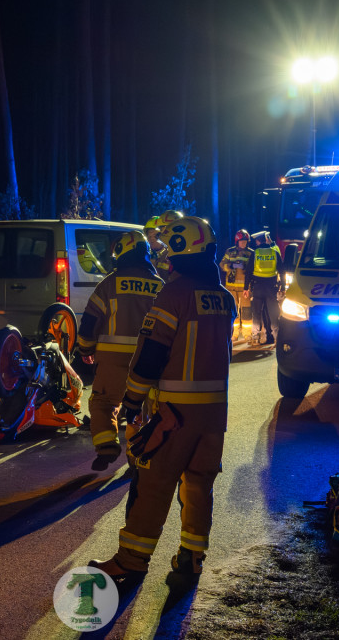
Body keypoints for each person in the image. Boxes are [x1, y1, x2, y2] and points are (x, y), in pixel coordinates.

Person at [89, 216, 235, 582]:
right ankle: (192, 558)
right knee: (198, 484)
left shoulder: (174, 294)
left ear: (184, 251)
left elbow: (152, 352)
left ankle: (130, 561)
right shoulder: (224, 298)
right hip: (214, 414)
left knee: (153, 483)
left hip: (175, 412)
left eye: (170, 251)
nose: (166, 258)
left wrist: (133, 400)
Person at [76, 230, 163, 471]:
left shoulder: (109, 284)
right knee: (143, 408)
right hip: (149, 358)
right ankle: (138, 457)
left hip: (112, 358)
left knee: (103, 402)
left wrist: (85, 348)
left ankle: (106, 446)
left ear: (122, 253)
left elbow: (90, 321)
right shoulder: (160, 285)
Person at [247, 231, 285, 347]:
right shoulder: (274, 253)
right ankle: (277, 337)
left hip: (257, 287)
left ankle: (255, 337)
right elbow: (282, 271)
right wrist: (283, 287)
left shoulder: (255, 253)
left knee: (256, 313)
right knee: (273, 313)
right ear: (266, 240)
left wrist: (245, 288)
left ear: (258, 241)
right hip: (271, 288)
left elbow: (248, 271)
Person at [219, 230, 254, 341]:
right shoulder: (229, 252)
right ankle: (234, 333)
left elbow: (253, 268)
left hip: (245, 288)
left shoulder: (251, 253)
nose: (244, 243)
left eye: (245, 241)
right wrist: (231, 266)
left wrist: (245, 268)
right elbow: (222, 264)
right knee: (233, 311)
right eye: (242, 241)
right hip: (231, 288)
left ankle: (247, 333)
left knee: (247, 311)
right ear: (237, 241)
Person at [152, 210, 184, 281]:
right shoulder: (163, 253)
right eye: (160, 228)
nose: (160, 232)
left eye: (163, 228)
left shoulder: (183, 254)